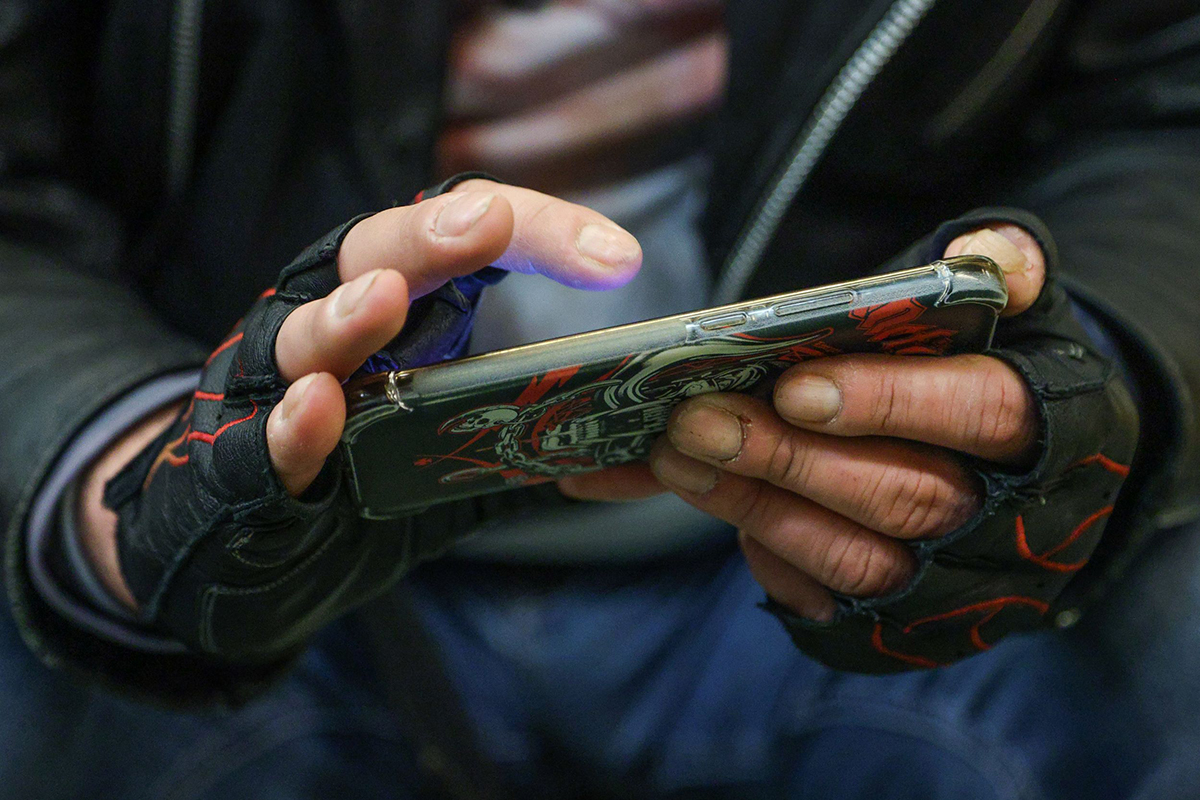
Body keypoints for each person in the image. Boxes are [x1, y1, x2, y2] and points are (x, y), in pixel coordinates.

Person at [1, 0, 1198, 797]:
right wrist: (128, 466)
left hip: (819, 546)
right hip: (273, 530)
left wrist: (1081, 386)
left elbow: (1166, 109)